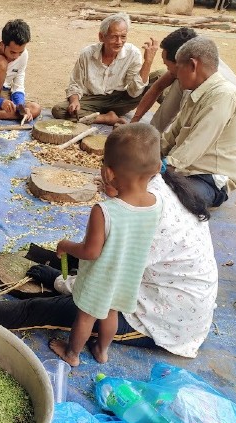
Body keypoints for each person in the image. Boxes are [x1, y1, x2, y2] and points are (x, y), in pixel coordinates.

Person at [0, 168, 216, 360]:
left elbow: (94, 288)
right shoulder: (155, 186)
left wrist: (58, 282)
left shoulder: (136, 222)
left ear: (112, 175)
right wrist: (66, 265)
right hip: (153, 292)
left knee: (37, 310)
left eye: (104, 171)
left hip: (158, 321)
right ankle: (54, 279)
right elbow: (97, 260)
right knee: (66, 269)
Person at [50, 124, 161, 366]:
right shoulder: (157, 203)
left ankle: (72, 354)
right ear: (157, 169)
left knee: (86, 316)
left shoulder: (104, 211)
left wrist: (66, 245)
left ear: (108, 173)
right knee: (111, 313)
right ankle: (101, 351)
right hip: (128, 277)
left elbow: (91, 252)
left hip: (101, 277)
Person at [160, 36, 236, 208]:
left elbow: (196, 143)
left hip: (208, 179)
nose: (175, 74)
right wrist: (147, 155)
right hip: (182, 170)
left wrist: (161, 167)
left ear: (192, 65)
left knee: (172, 201)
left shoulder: (224, 94)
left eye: (178, 67)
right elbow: (171, 136)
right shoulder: (195, 93)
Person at [51, 13, 159, 126]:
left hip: (121, 100)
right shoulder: (87, 54)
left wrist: (148, 62)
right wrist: (74, 101)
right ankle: (106, 118)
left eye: (123, 36)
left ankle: (164, 126)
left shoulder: (133, 53)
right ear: (101, 37)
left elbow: (134, 92)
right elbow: (75, 84)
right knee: (59, 110)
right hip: (93, 101)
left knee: (160, 76)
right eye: (114, 36)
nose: (119, 42)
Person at [130, 27, 236, 132]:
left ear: (189, 63)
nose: (168, 70)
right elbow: (158, 87)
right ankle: (154, 134)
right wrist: (133, 123)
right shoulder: (195, 64)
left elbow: (195, 143)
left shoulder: (220, 94)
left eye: (168, 66)